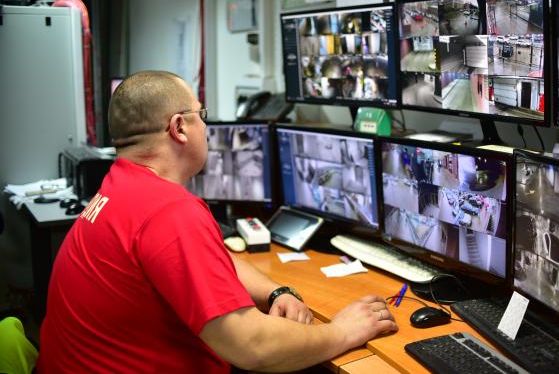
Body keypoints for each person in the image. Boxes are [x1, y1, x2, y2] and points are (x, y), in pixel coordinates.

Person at [37, 71, 397, 373]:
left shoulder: (121, 187)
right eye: (202, 114)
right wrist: (342, 331)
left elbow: (215, 262)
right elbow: (253, 346)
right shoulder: (169, 211)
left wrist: (276, 292)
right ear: (179, 127)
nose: (205, 126)